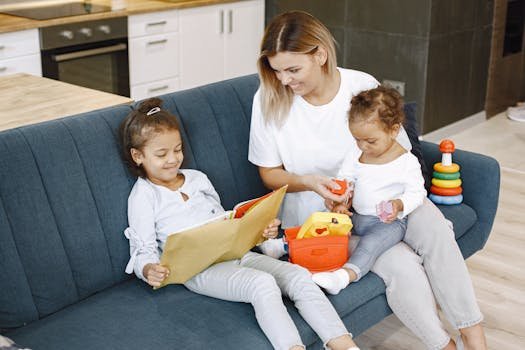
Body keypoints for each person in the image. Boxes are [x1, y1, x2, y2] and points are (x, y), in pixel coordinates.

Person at [248, 10, 487, 350]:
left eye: (293, 69)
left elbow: (400, 150)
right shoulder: (269, 99)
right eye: (277, 70)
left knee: (435, 228)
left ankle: (473, 336)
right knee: (400, 264)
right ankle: (443, 346)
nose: (284, 80)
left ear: (320, 54)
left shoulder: (361, 85)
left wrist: (381, 195)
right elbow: (269, 173)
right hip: (326, 219)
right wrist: (313, 182)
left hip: (385, 200)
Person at [120, 97, 360, 350]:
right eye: (161, 154)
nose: (172, 159)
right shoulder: (144, 195)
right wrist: (148, 269)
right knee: (262, 284)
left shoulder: (197, 179)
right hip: (198, 269)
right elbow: (142, 248)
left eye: (177, 149)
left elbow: (224, 221)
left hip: (235, 253)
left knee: (299, 276)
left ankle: (344, 345)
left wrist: (259, 231)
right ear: (138, 156)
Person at [312, 86, 426, 294]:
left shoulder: (406, 162)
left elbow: (417, 193)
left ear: (393, 130)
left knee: (370, 245)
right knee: (322, 224)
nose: (363, 146)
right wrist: (341, 202)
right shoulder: (356, 153)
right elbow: (346, 179)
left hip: (387, 223)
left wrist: (399, 204)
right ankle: (284, 245)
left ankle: (344, 276)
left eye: (370, 141)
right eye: (357, 139)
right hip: (356, 217)